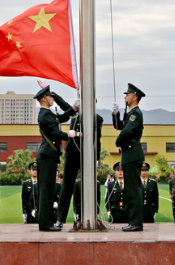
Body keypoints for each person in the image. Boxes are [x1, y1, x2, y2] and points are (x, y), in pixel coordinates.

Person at [41, 81, 104, 228]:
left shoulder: (97, 119)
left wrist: (96, 158)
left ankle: (89, 217)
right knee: (67, 187)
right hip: (72, 153)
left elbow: (97, 140)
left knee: (89, 186)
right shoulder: (75, 114)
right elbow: (65, 106)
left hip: (87, 154)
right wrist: (52, 94)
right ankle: (60, 219)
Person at [34, 84, 76, 232]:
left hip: (49, 155)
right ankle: (45, 224)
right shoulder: (45, 115)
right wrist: (69, 135)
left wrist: (73, 108)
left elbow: (63, 117)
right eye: (51, 97)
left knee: (48, 189)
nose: (52, 99)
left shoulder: (48, 114)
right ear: (44, 99)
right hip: (47, 156)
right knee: (46, 190)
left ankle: (46, 222)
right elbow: (53, 132)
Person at [112, 83, 145, 232]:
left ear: (135, 97)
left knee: (133, 190)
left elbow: (126, 131)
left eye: (127, 94)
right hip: (129, 154)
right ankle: (133, 221)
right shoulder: (131, 113)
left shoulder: (136, 113)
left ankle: (136, 222)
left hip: (132, 153)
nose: (125, 97)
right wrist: (116, 115)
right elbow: (120, 126)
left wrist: (118, 142)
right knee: (131, 190)